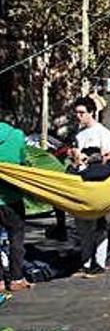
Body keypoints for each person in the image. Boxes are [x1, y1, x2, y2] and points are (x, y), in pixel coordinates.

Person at [69, 96, 110, 277]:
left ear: (91, 113)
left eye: (82, 113)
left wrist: (92, 158)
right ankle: (86, 262)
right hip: (82, 183)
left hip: (98, 184)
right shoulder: (79, 135)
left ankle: (99, 263)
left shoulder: (102, 132)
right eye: (77, 113)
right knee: (83, 226)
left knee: (99, 225)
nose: (79, 116)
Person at [0, 121, 33, 292]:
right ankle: (16, 279)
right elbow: (23, 161)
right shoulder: (16, 136)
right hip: (12, 198)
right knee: (16, 238)